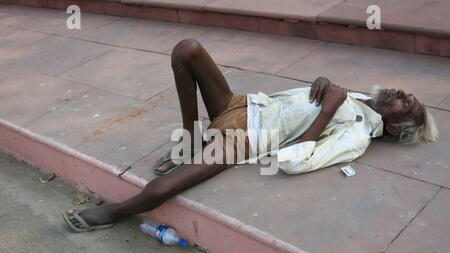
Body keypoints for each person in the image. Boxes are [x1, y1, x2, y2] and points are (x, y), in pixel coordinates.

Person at [63, 39, 439, 232]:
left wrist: (327, 109)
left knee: (162, 189)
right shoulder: (359, 98)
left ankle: (112, 213)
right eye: (405, 94)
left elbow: (297, 160)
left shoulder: (358, 135)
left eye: (405, 104)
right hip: (242, 104)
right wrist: (325, 86)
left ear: (392, 127)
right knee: (187, 50)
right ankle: (192, 136)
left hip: (245, 138)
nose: (401, 94)